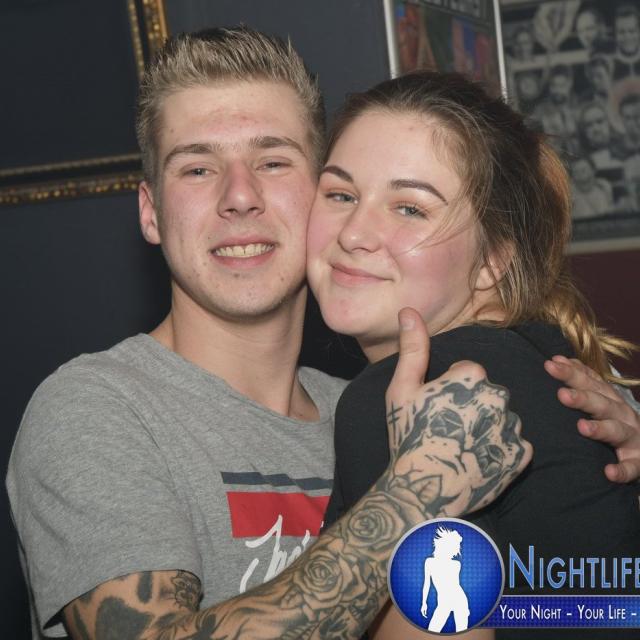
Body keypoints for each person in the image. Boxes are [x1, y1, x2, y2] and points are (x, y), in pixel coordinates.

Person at [6, 27, 640, 640]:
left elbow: (576, 603)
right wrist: (411, 496)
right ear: (150, 212)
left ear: (314, 191)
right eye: (197, 169)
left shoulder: (391, 401)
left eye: (273, 162)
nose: (239, 196)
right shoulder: (98, 408)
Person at [307, 70, 640, 639]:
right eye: (341, 195)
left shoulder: (410, 394)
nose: (355, 232)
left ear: (492, 262)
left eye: (409, 208)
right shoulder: (544, 360)